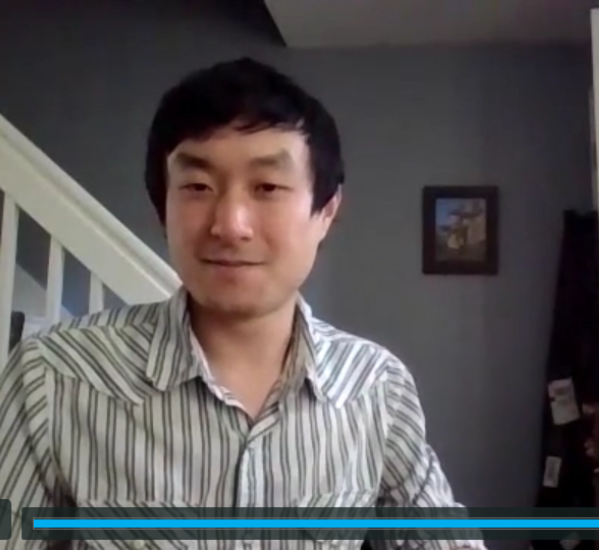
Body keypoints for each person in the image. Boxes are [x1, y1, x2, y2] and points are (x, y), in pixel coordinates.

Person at [0, 58, 485, 550]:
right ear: (162, 208)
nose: (230, 225)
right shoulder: (52, 376)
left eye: (267, 187)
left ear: (326, 211)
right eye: (197, 187)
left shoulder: (376, 387)